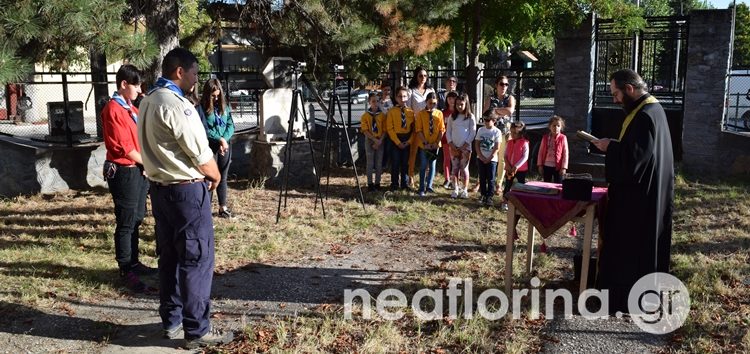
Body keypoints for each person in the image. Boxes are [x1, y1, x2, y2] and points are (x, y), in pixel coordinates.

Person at [137, 47, 233, 348]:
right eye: (193, 73)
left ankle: (173, 320)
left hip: (160, 190)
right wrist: (215, 175)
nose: (196, 79)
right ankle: (197, 329)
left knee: (170, 257)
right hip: (186, 190)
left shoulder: (148, 100)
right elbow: (198, 150)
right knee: (197, 258)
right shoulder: (178, 105)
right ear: (180, 71)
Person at [591, 68, 674, 314]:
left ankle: (624, 300)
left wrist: (610, 148)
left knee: (629, 249)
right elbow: (639, 154)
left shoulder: (645, 115)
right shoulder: (650, 110)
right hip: (647, 194)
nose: (615, 100)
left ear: (629, 89)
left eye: (616, 94)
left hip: (638, 200)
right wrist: (616, 147)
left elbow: (633, 162)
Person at [101, 64, 156, 293]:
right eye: (135, 85)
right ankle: (125, 269)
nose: (138, 90)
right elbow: (124, 148)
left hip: (139, 169)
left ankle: (134, 261)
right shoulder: (113, 109)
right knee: (125, 220)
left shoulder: (131, 109)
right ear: (124, 84)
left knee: (136, 218)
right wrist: (148, 163)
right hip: (125, 170)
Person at [199, 78, 235, 218]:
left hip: (224, 145)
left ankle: (222, 207)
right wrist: (218, 139)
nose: (216, 98)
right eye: (213, 96)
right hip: (210, 145)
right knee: (210, 177)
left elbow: (230, 125)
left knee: (223, 176)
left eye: (218, 95)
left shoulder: (225, 107)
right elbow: (205, 129)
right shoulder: (202, 108)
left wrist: (224, 140)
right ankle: (206, 208)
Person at [483, 76, 516, 195]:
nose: (504, 87)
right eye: (501, 84)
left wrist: (495, 111)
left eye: (506, 84)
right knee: (490, 157)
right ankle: (485, 181)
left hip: (505, 132)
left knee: (502, 158)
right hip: (491, 132)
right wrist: (501, 111)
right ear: (496, 85)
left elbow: (510, 110)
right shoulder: (490, 98)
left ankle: (498, 184)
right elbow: (486, 113)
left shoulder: (510, 98)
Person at [407, 67, 435, 187]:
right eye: (420, 75)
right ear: (416, 76)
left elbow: (434, 106)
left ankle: (427, 179)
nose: (423, 78)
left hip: (429, 126)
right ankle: (411, 177)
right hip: (416, 126)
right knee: (413, 153)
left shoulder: (430, 90)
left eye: (425, 75)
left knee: (428, 152)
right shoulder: (411, 91)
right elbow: (408, 109)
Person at [446, 93, 477, 199]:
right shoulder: (452, 117)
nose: (459, 106)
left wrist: (465, 144)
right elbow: (448, 131)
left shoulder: (470, 117)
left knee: (464, 168)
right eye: (457, 104)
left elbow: (472, 132)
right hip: (453, 147)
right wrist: (450, 143)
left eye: (461, 104)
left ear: (466, 104)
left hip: (466, 148)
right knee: (454, 168)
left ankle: (464, 189)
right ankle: (455, 188)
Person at [414, 92, 445, 196]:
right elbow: (418, 130)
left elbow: (441, 129)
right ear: (426, 102)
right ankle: (421, 188)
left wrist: (436, 142)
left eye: (434, 103)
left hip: (435, 144)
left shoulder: (439, 113)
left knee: (432, 165)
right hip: (424, 145)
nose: (432, 105)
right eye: (430, 103)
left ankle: (429, 186)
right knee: (423, 165)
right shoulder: (421, 114)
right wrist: (425, 143)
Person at [386, 86, 415, 191]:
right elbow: (390, 128)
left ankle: (404, 183)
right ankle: (394, 184)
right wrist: (397, 142)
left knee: (405, 163)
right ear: (396, 98)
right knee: (395, 162)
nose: (402, 99)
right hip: (395, 139)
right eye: (400, 96)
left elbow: (414, 129)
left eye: (404, 96)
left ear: (407, 97)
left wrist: (409, 141)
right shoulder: (391, 112)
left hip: (407, 139)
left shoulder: (411, 112)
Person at [474, 112, 503, 206]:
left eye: (487, 120)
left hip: (492, 159)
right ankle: (483, 194)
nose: (485, 122)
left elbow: (497, 147)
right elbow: (477, 143)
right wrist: (480, 156)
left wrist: (490, 158)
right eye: (484, 120)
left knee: (491, 178)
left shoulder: (497, 132)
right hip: (481, 158)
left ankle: (489, 196)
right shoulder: (481, 130)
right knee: (482, 177)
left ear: (494, 121)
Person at [360, 93, 386, 191]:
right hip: (370, 140)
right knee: (370, 163)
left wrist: (379, 141)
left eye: (377, 101)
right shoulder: (365, 116)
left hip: (380, 140)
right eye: (373, 101)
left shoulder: (382, 116)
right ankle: (370, 184)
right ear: (369, 102)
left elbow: (385, 130)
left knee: (379, 163)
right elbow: (365, 130)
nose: (375, 103)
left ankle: (378, 183)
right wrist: (374, 140)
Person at [502, 121, 529, 211]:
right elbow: (505, 155)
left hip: (521, 170)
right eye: (511, 132)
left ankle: (521, 203)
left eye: (515, 133)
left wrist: (516, 166)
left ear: (521, 133)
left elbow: (525, 157)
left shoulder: (524, 143)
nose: (512, 135)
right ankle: (505, 201)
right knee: (508, 185)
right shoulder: (509, 142)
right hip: (509, 169)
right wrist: (508, 165)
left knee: (521, 186)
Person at [537, 115, 569, 183]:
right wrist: (540, 165)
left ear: (561, 127)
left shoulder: (563, 138)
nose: (556, 128)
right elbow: (540, 152)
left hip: (558, 167)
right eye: (554, 125)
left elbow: (565, 153)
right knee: (546, 184)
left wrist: (564, 167)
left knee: (558, 185)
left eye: (558, 126)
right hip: (546, 166)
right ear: (549, 126)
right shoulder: (545, 138)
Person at [440, 91, 458, 189]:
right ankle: (447, 179)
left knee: (455, 160)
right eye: (449, 98)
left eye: (454, 98)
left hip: (457, 140)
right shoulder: (443, 112)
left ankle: (455, 179)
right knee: (447, 159)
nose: (452, 100)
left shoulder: (458, 112)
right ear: (446, 100)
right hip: (446, 139)